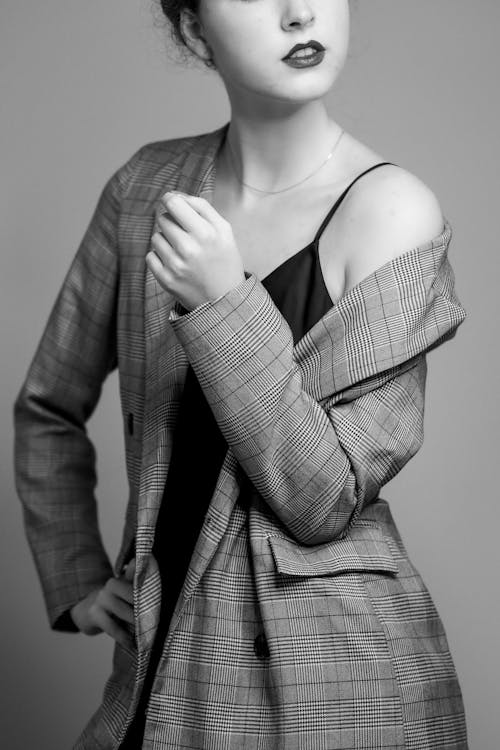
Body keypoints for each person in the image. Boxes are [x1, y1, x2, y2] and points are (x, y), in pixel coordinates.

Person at [14, 1, 469, 748]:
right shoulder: (145, 189)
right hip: (159, 660)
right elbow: (47, 406)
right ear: (195, 29)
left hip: (333, 679)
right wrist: (76, 578)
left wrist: (225, 302)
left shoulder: (393, 212)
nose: (299, 13)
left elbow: (322, 496)